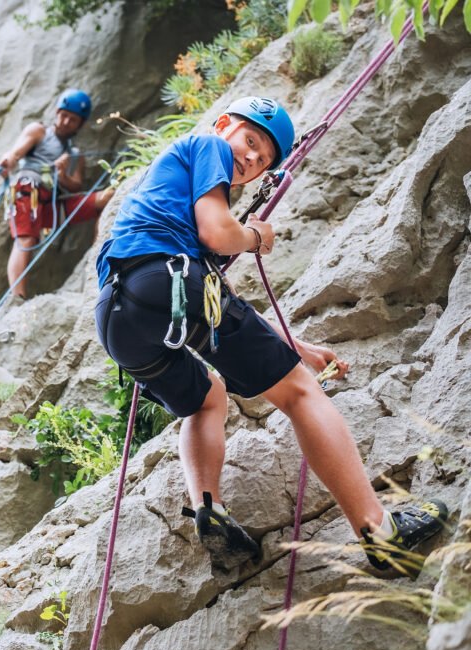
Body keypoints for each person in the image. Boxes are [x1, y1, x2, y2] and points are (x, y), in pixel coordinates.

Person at [94, 96, 448, 573]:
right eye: (252, 141)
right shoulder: (206, 145)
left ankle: (210, 510)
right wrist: (257, 236)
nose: (252, 159)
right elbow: (219, 236)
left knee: (207, 398)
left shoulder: (172, 199)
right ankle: (380, 532)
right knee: (301, 392)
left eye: (262, 161)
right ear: (225, 125)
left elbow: (223, 305)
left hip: (119, 318)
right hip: (169, 282)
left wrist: (296, 347)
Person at [0, 89, 114, 300]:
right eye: (63, 115)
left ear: (80, 124)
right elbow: (16, 153)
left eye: (72, 119)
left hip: (51, 204)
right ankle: (17, 298)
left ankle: (97, 257)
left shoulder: (75, 155)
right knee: (26, 240)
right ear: (56, 112)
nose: (65, 121)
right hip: (28, 192)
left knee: (105, 199)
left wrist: (62, 175)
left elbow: (75, 186)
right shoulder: (39, 131)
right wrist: (8, 161)